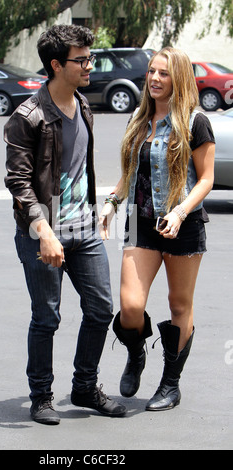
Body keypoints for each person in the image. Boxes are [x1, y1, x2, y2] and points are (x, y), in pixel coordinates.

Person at [4, 24, 126, 425]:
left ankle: (85, 386)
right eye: (82, 59)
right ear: (56, 65)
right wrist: (45, 232)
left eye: (90, 57)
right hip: (44, 233)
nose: (90, 64)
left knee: (101, 308)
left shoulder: (84, 105)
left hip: (85, 228)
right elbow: (19, 183)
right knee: (47, 317)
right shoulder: (28, 116)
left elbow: (77, 170)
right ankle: (41, 395)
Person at [99, 47, 215, 411]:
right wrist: (112, 203)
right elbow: (131, 172)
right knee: (131, 305)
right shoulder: (138, 118)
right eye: (151, 71)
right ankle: (136, 354)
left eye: (163, 73)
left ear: (177, 78)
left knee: (179, 305)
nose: (154, 79)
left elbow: (206, 179)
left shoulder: (195, 122)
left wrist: (180, 212)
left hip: (183, 224)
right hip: (141, 224)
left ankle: (170, 384)